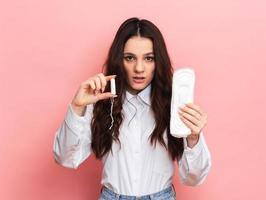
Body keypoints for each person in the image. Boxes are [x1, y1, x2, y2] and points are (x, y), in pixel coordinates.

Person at [53, 17, 212, 200]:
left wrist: (194, 138)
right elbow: (65, 158)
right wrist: (77, 107)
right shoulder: (100, 101)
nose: (139, 68)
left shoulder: (174, 104)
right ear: (119, 60)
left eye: (148, 58)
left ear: (157, 61)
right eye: (130, 58)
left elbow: (194, 177)